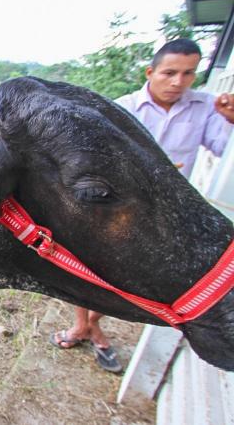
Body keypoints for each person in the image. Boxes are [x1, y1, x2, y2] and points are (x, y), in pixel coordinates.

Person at [50, 38, 234, 373]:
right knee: (85, 269)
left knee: (132, 279)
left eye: (188, 73)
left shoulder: (207, 108)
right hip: (113, 211)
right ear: (151, 72)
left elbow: (224, 149)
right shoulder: (121, 109)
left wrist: (231, 121)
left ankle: (88, 326)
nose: (178, 81)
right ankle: (86, 327)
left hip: (165, 215)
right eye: (170, 72)